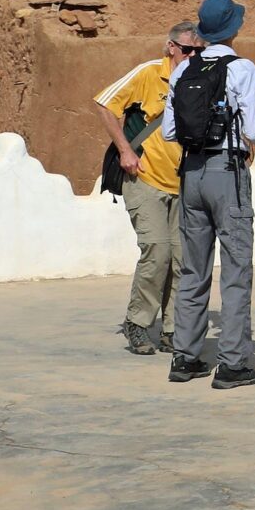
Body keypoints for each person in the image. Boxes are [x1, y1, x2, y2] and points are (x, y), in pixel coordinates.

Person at [163, 0, 255, 391]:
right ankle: (233, 363)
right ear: (234, 28)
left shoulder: (183, 70)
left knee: (193, 268)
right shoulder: (243, 69)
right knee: (236, 269)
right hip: (228, 172)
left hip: (190, 173)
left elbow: (170, 131)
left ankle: (186, 357)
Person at [95, 24, 198, 355]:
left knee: (182, 258)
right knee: (157, 252)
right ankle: (137, 323)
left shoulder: (197, 80)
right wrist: (125, 149)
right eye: (187, 50)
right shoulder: (148, 74)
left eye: (199, 51)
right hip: (144, 178)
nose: (193, 56)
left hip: (184, 184)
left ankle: (172, 329)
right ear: (170, 47)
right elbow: (104, 104)